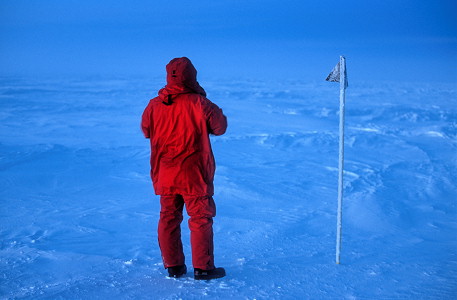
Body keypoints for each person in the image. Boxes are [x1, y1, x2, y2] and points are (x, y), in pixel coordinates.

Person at [141, 57, 227, 280]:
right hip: (194, 173)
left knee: (168, 217)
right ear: (192, 77)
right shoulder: (200, 104)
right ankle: (203, 268)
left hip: (165, 172)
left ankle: (174, 266)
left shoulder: (154, 104)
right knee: (200, 218)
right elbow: (220, 127)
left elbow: (146, 130)